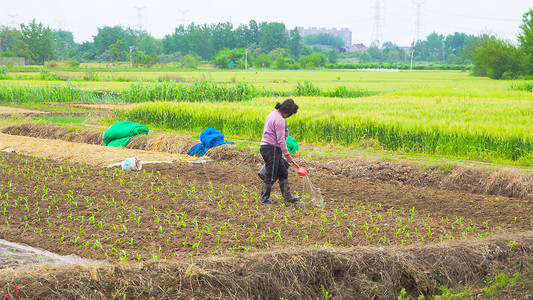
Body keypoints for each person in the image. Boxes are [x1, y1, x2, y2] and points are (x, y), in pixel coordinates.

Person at [259, 99, 302, 204]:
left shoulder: (273, 114)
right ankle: (264, 199)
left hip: (269, 148)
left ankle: (288, 197)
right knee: (271, 174)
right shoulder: (280, 120)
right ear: (287, 112)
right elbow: (281, 140)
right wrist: (287, 155)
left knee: (283, 172)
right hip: (271, 148)